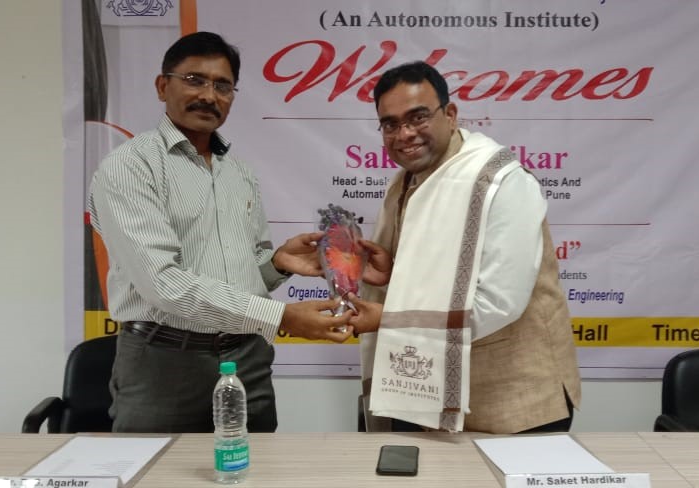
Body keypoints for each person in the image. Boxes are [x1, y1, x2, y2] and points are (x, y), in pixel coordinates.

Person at [87, 32, 352, 434]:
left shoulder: (238, 172)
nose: (209, 96)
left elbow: (241, 275)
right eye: (194, 80)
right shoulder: (130, 166)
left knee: (256, 465)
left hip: (246, 360)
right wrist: (281, 317)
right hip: (164, 362)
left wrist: (276, 264)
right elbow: (163, 284)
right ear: (162, 86)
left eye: (222, 86)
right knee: (158, 466)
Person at [348, 61, 582, 434]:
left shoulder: (501, 182)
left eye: (418, 117)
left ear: (451, 114)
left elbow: (499, 304)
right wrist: (393, 273)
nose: (405, 134)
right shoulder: (405, 182)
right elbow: (444, 273)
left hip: (512, 399)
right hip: (425, 389)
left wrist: (388, 319)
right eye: (390, 124)